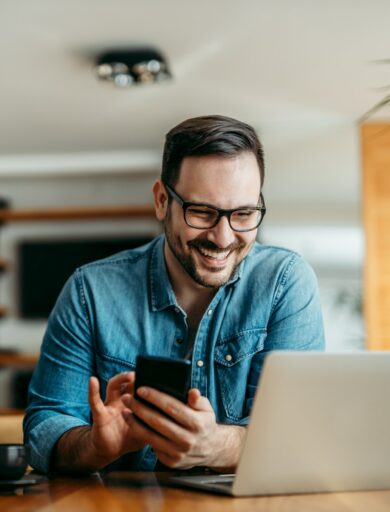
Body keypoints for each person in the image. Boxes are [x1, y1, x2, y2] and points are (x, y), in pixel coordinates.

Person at [23, 115, 325, 474]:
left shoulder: (285, 283)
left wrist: (216, 446)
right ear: (162, 200)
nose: (224, 237)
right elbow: (43, 430)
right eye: (202, 212)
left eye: (243, 214)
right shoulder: (89, 291)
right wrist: (95, 446)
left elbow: (298, 437)